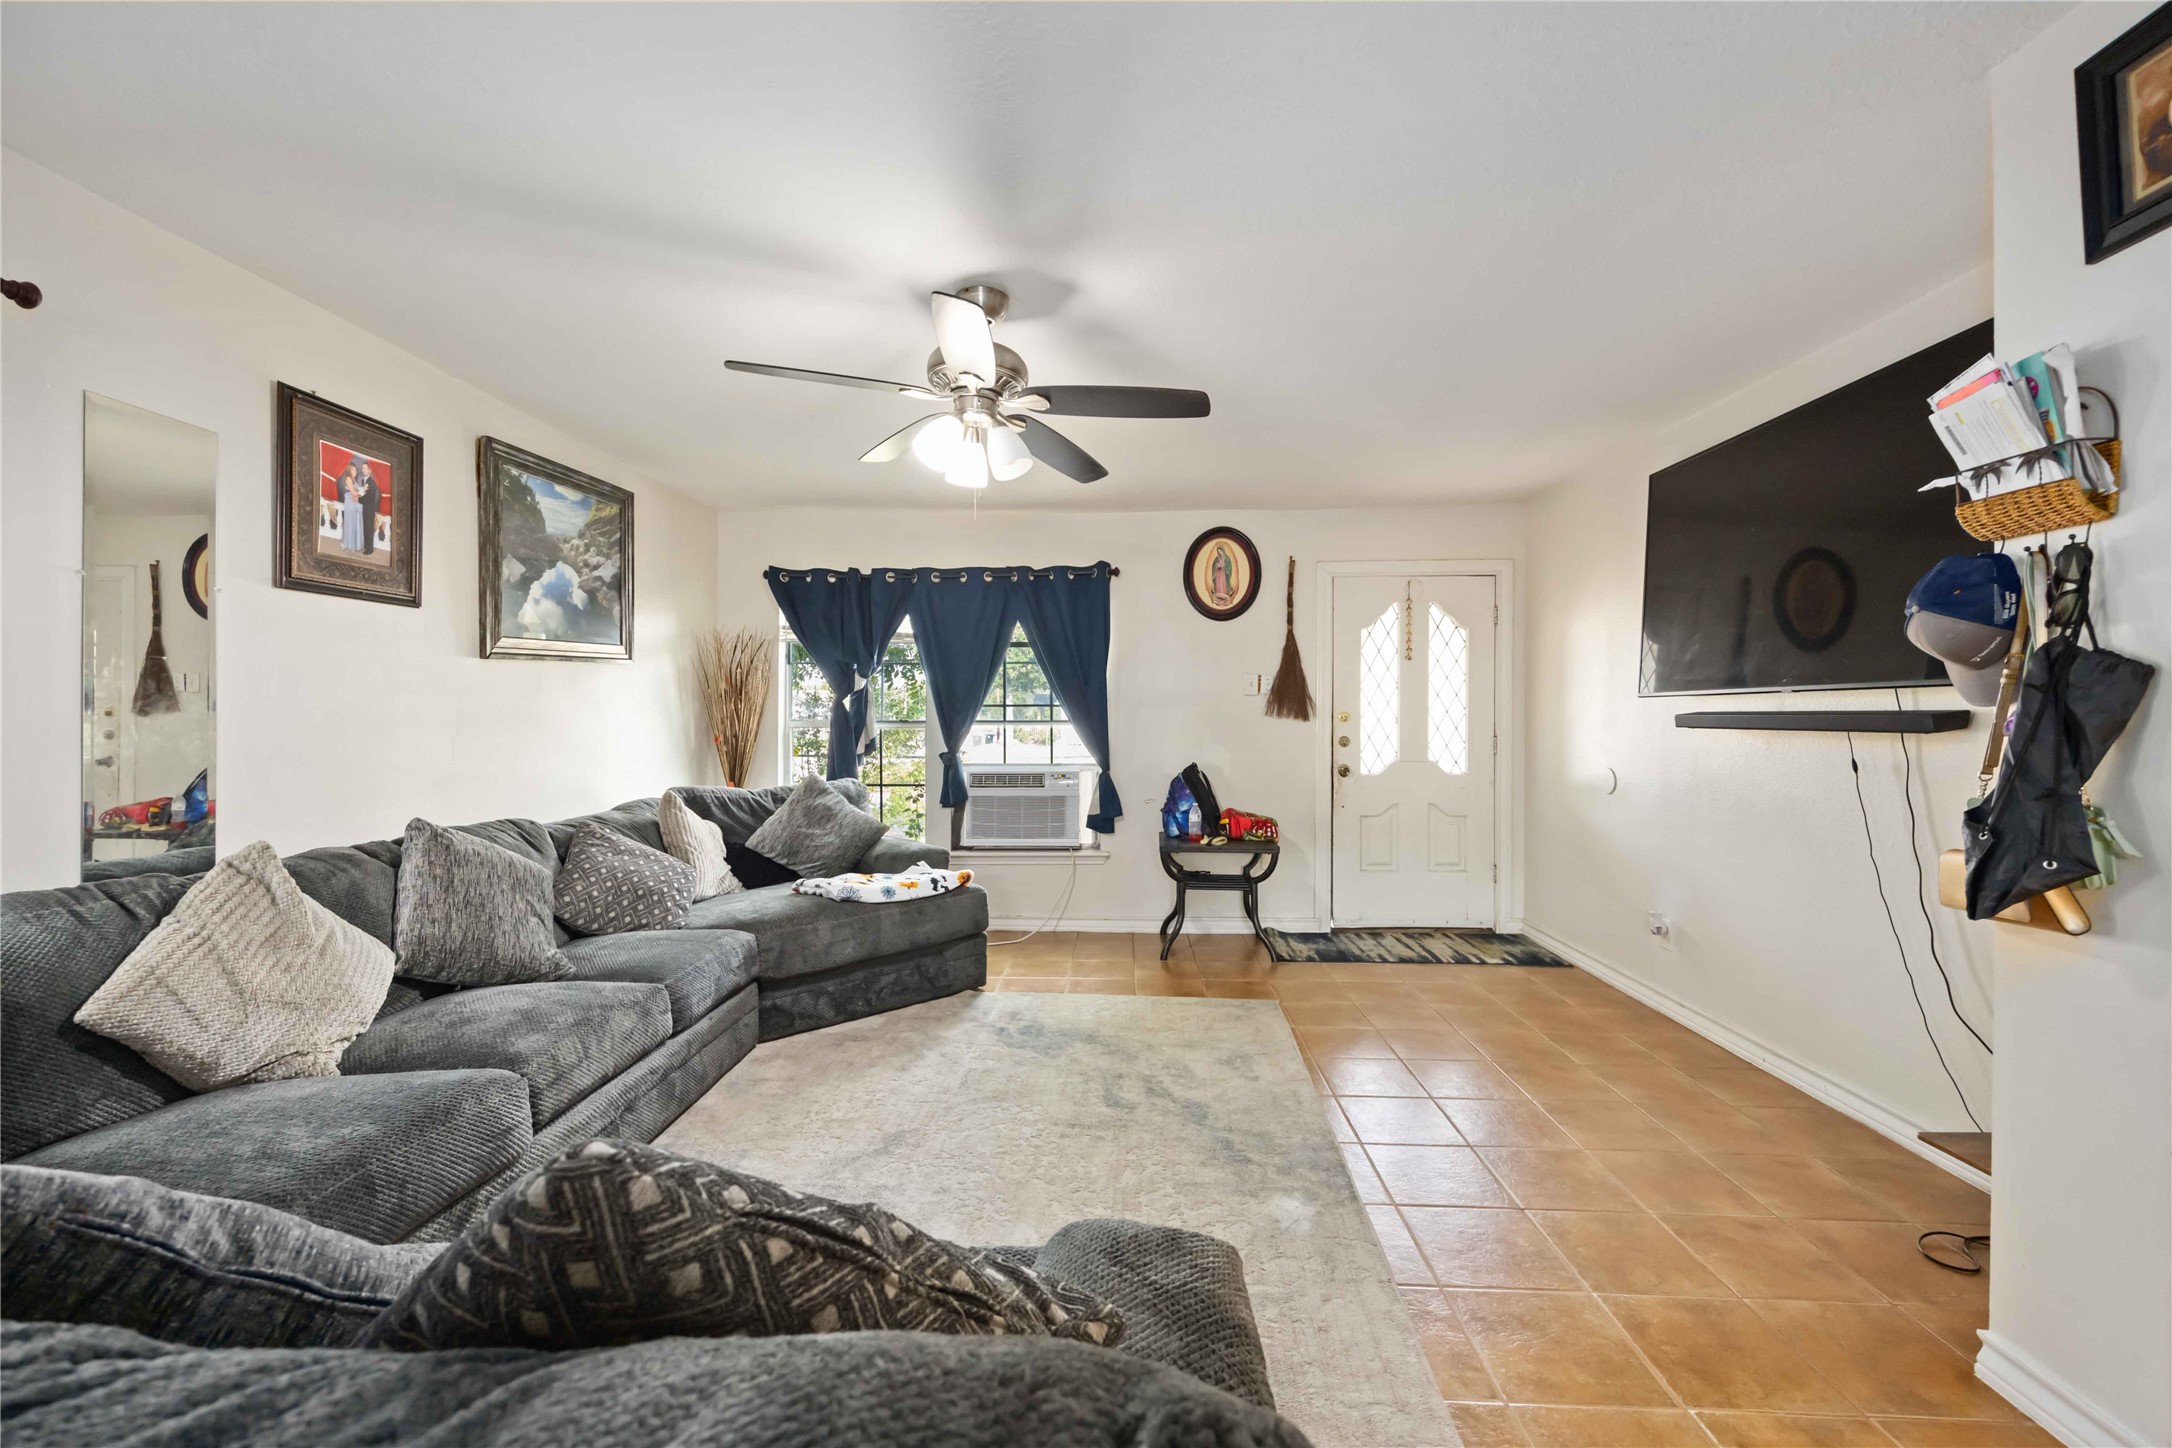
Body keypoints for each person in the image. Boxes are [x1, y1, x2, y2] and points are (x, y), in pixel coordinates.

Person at [354, 459, 383, 557]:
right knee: (365, 528)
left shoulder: (372, 483)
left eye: (366, 468)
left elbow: (370, 498)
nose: (363, 469)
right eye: (362, 468)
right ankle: (366, 546)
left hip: (369, 509)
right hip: (364, 508)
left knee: (368, 529)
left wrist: (358, 499)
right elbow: (363, 493)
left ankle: (369, 549)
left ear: (370, 470)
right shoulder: (363, 480)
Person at [338, 459, 364, 553]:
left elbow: (356, 493)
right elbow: (352, 492)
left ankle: (355, 545)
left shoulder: (354, 480)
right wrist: (361, 491)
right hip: (350, 501)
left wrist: (360, 492)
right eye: (353, 469)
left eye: (356, 470)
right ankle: (348, 544)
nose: (355, 471)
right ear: (349, 470)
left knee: (355, 523)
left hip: (355, 501)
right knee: (350, 523)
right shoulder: (348, 478)